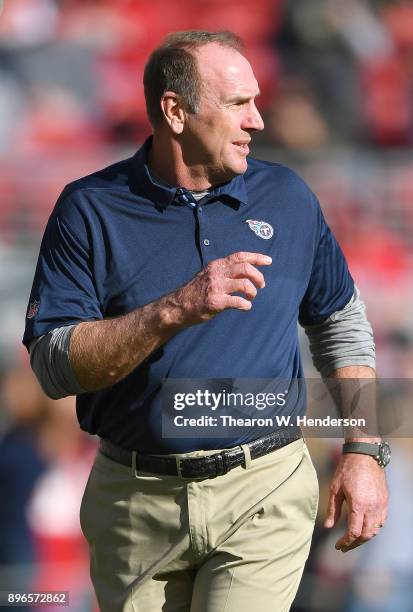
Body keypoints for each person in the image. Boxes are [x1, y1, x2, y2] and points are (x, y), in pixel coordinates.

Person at [23, 30, 389, 612]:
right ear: (175, 111)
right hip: (134, 499)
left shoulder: (289, 197)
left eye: (257, 101)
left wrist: (365, 450)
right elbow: (54, 365)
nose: (258, 121)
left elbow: (340, 321)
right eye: (238, 104)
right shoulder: (88, 208)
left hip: (264, 486)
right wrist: (172, 310)